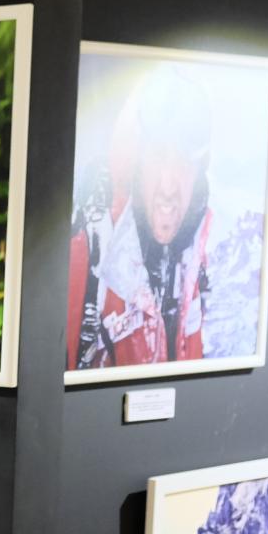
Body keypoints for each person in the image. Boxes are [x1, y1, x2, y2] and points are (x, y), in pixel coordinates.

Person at [68, 67, 215, 370]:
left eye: (184, 163)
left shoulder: (196, 253)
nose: (169, 186)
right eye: (158, 157)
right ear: (136, 162)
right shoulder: (85, 248)